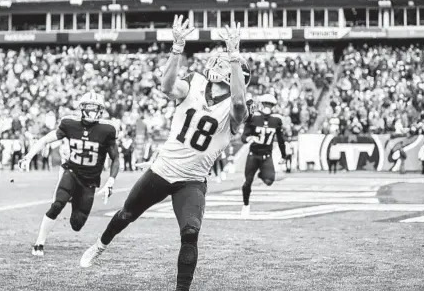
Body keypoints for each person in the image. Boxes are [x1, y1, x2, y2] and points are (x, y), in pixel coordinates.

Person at [79, 16, 250, 291]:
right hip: (162, 170)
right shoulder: (194, 82)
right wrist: (177, 47)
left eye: (224, 63)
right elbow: (167, 87)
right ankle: (100, 245)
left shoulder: (238, 105)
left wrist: (234, 55)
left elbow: (239, 102)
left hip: (192, 181)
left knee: (190, 235)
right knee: (126, 214)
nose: (217, 63)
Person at [19, 91, 120, 257]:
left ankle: (74, 198)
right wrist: (28, 156)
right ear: (82, 108)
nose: (92, 111)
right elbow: (45, 140)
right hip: (71, 172)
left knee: (77, 224)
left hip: (90, 182)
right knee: (57, 204)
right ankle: (39, 243)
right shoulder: (70, 124)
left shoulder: (106, 130)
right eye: (89, 107)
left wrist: (110, 181)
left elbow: (115, 158)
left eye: (95, 108)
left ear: (101, 110)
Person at [240, 93, 287, 217]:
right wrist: (249, 138)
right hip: (253, 155)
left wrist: (284, 155)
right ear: (261, 104)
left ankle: (261, 173)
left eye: (270, 105)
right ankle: (246, 205)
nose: (267, 106)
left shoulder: (276, 120)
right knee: (247, 183)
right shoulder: (254, 117)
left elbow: (281, 140)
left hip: (266, 156)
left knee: (269, 180)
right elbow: (243, 136)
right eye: (266, 104)